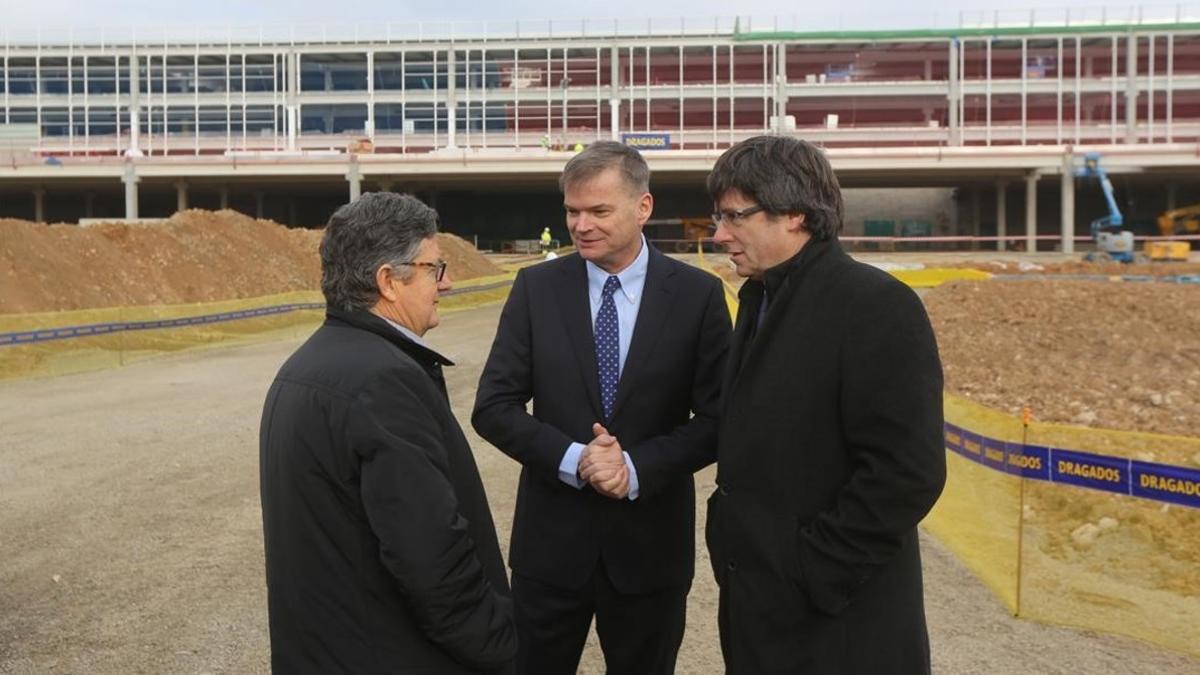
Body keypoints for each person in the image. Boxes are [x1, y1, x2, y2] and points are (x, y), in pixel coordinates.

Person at [473, 141, 730, 674]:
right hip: (551, 553)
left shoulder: (698, 296)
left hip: (650, 553)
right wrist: (576, 459)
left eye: (598, 211)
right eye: (572, 211)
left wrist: (634, 468)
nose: (581, 225)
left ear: (643, 208)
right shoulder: (536, 288)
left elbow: (718, 420)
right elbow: (493, 406)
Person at [704, 136, 946, 674]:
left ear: (794, 213)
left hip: (839, 627)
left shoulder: (875, 306)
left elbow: (907, 472)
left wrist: (812, 569)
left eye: (734, 217)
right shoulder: (760, 299)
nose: (719, 235)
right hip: (761, 610)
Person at [259, 192, 516, 673]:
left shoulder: (304, 367)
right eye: (434, 269)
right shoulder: (384, 380)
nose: (447, 283)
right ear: (388, 282)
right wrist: (500, 645)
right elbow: (430, 559)